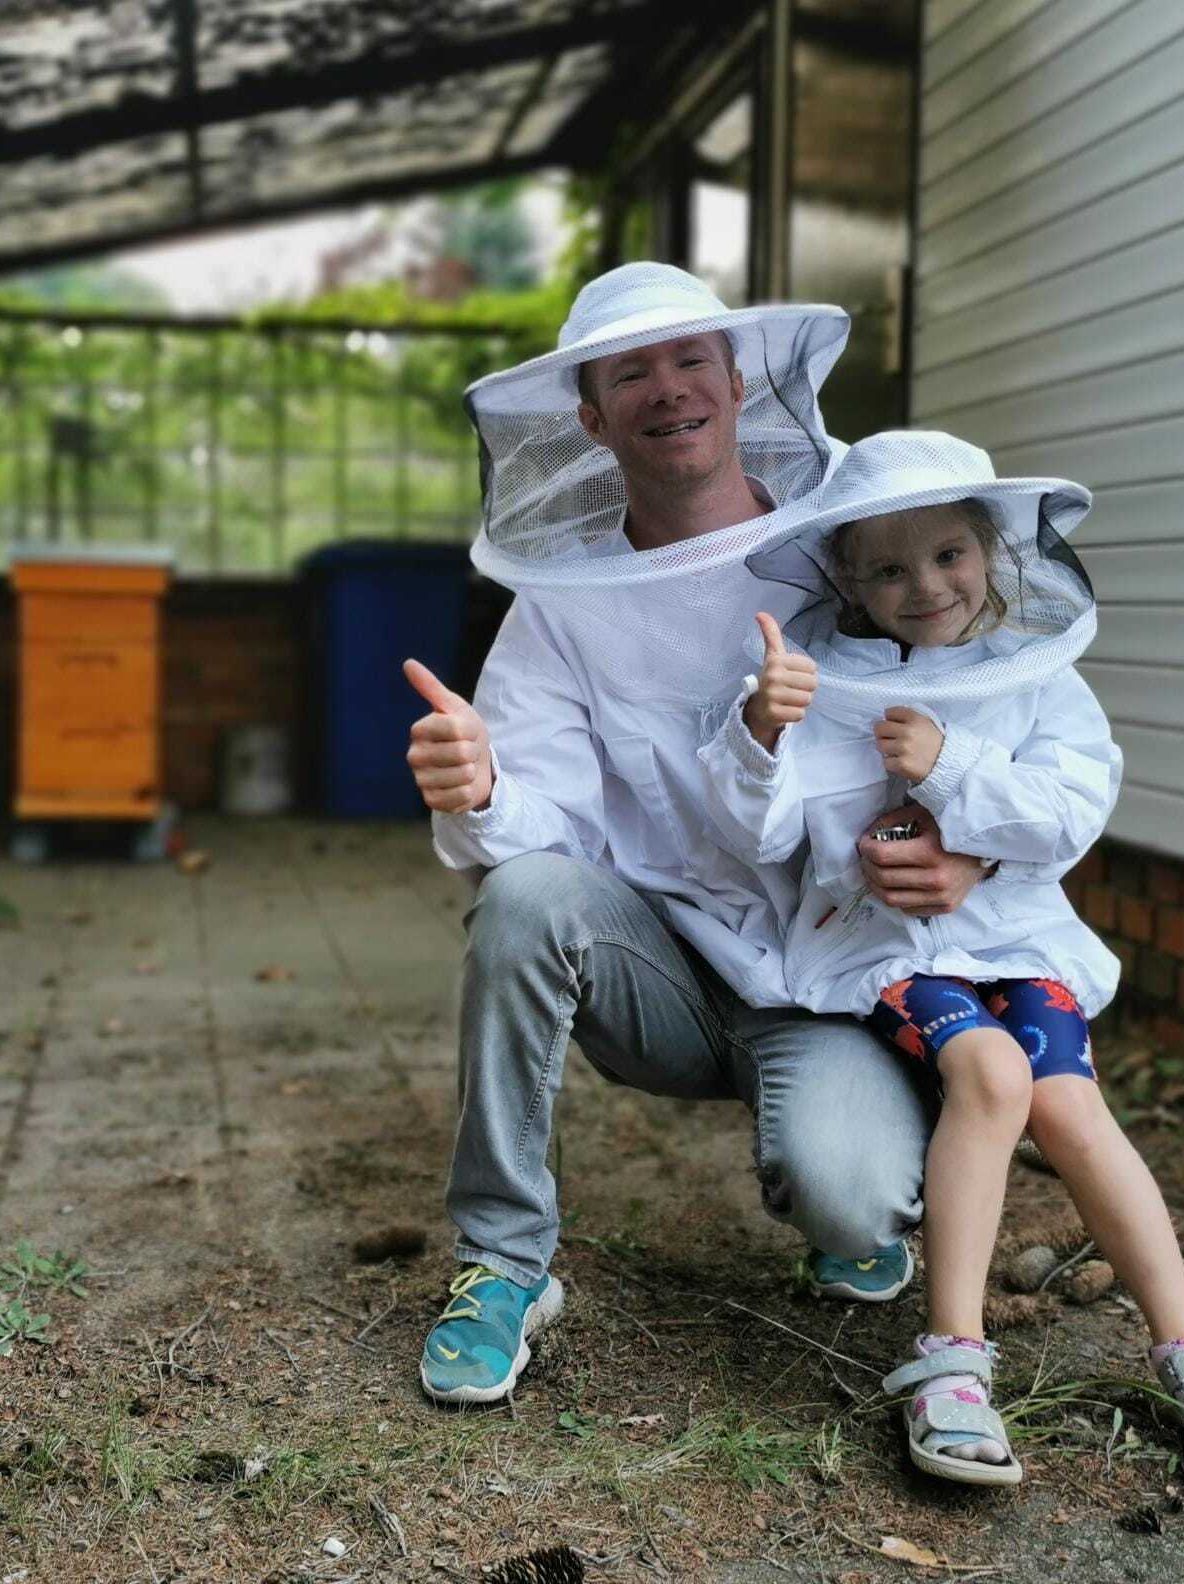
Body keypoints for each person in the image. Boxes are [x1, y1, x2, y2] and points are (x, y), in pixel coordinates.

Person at [400, 263, 987, 1407]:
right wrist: (478, 789)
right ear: (590, 418)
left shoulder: (849, 546)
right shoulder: (562, 601)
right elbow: (539, 833)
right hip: (658, 978)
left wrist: (975, 849)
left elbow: (992, 696)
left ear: (738, 382)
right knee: (523, 897)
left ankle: (843, 1186)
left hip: (835, 978)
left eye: (689, 361)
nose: (667, 389)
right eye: (631, 374)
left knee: (856, 1203)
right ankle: (503, 1262)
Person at [698, 428, 1184, 1497]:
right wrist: (762, 732)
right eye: (888, 568)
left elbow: (1069, 812)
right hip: (885, 946)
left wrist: (954, 769)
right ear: (847, 579)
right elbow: (766, 836)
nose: (925, 586)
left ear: (992, 549)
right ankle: (953, 1360)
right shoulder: (822, 680)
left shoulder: (1037, 673)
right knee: (992, 1072)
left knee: (1068, 1101)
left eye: (948, 555)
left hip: (1018, 939)